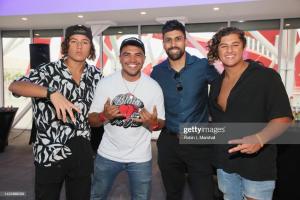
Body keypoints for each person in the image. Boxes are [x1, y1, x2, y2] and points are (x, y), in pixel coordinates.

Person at [9, 25, 102, 200]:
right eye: (74, 42)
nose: (79, 47)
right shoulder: (47, 71)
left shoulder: (96, 75)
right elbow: (15, 86)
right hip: (49, 153)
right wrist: (51, 93)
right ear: (66, 45)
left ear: (91, 47)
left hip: (82, 153)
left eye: (84, 42)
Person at [207, 27, 293, 200]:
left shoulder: (266, 77)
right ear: (217, 50)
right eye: (224, 46)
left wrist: (260, 138)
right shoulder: (216, 83)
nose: (229, 50)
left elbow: (284, 118)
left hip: (257, 165)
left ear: (243, 46)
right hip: (225, 164)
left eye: (235, 44)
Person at [89, 37, 165, 200]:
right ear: (120, 58)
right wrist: (105, 115)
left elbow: (161, 122)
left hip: (140, 157)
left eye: (138, 55)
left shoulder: (154, 87)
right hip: (107, 154)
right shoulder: (105, 84)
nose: (132, 59)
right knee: (97, 195)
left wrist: (152, 123)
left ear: (144, 59)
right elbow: (92, 120)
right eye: (127, 54)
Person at [150, 20, 219, 200]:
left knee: (204, 194)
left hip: (198, 139)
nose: (173, 44)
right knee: (172, 194)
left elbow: (224, 91)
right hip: (168, 141)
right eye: (168, 40)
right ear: (164, 43)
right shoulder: (157, 72)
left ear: (185, 40)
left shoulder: (203, 66)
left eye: (178, 39)